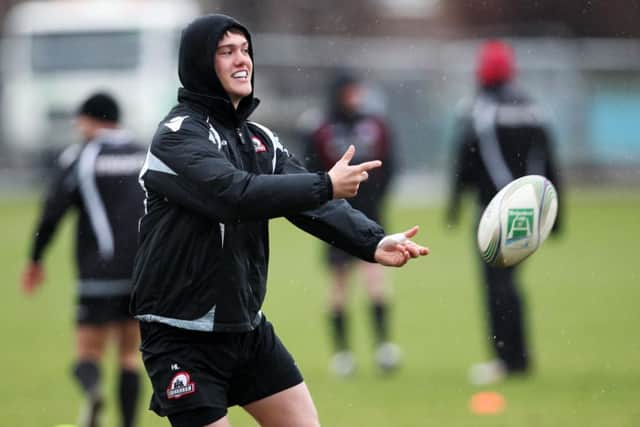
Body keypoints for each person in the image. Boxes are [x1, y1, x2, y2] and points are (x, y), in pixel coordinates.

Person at [131, 13, 429, 427]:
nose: (243, 61)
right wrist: (325, 183)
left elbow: (307, 202)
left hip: (247, 331)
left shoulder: (259, 138)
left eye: (245, 50)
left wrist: (373, 242)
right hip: (182, 335)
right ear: (201, 63)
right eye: (226, 52)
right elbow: (233, 195)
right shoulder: (177, 136)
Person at [21, 92, 146, 427]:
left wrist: (35, 259)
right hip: (141, 272)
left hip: (98, 273)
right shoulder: (143, 153)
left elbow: (52, 213)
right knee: (129, 355)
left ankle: (93, 392)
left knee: (87, 355)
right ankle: (129, 424)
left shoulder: (81, 156)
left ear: (92, 120)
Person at [446, 40, 563, 385]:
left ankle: (504, 359)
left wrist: (455, 205)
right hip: (530, 210)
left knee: (496, 284)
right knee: (511, 284)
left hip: (492, 212)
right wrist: (556, 214)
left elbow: (465, 160)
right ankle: (521, 356)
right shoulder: (531, 108)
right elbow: (548, 161)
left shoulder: (480, 109)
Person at [304, 71, 398, 377]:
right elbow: (310, 170)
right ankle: (343, 353)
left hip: (370, 215)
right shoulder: (320, 128)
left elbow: (391, 164)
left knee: (376, 281)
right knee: (339, 286)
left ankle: (384, 347)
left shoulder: (375, 124)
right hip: (334, 217)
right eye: (350, 91)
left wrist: (377, 196)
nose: (356, 96)